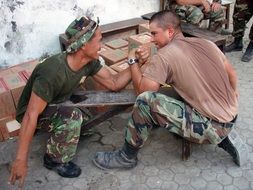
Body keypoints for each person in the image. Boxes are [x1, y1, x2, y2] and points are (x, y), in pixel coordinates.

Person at [93, 10, 249, 170]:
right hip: (231, 113)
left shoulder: (164, 55)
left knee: (145, 102)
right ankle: (223, 132)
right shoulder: (205, 43)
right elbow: (232, 72)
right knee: (174, 90)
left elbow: (143, 92)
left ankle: (126, 157)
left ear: (170, 31)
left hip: (211, 126)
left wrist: (132, 60)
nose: (152, 39)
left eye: (154, 33)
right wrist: (234, 93)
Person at [8, 16, 133, 188]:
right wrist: (21, 160)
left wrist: (136, 63)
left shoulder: (89, 62)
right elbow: (30, 115)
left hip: (58, 100)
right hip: (35, 113)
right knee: (72, 118)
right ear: (83, 44)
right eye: (99, 40)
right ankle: (54, 160)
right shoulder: (52, 71)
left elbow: (113, 83)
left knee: (86, 120)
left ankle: (62, 133)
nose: (101, 46)